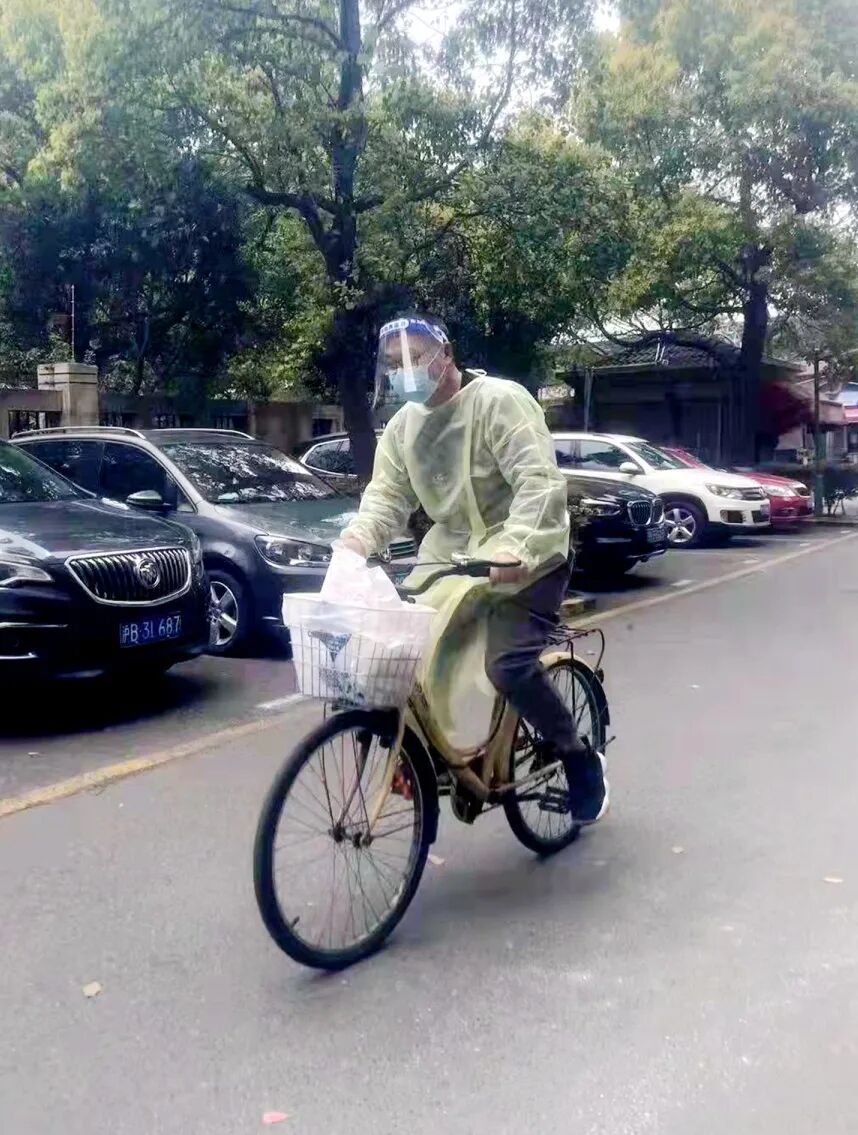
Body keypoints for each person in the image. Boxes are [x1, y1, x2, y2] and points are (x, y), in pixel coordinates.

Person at [339, 312, 608, 823]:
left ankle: (577, 757)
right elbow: (386, 498)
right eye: (394, 363)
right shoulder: (402, 428)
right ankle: (445, 761)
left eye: (415, 357)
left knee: (506, 665)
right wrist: (355, 543)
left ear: (446, 354)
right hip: (452, 558)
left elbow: (537, 482)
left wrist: (517, 547)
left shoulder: (500, 402)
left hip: (529, 556)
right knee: (404, 661)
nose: (404, 371)